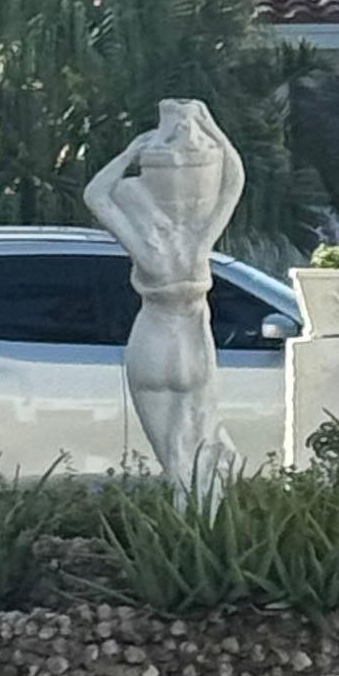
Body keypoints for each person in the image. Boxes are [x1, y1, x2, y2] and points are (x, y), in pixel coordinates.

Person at [86, 97, 245, 493]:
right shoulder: (199, 242)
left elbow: (96, 196)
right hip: (192, 340)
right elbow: (232, 184)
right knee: (203, 453)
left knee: (177, 465)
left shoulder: (146, 246)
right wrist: (211, 128)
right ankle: (202, 541)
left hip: (155, 339)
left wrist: (128, 155)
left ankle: (186, 542)